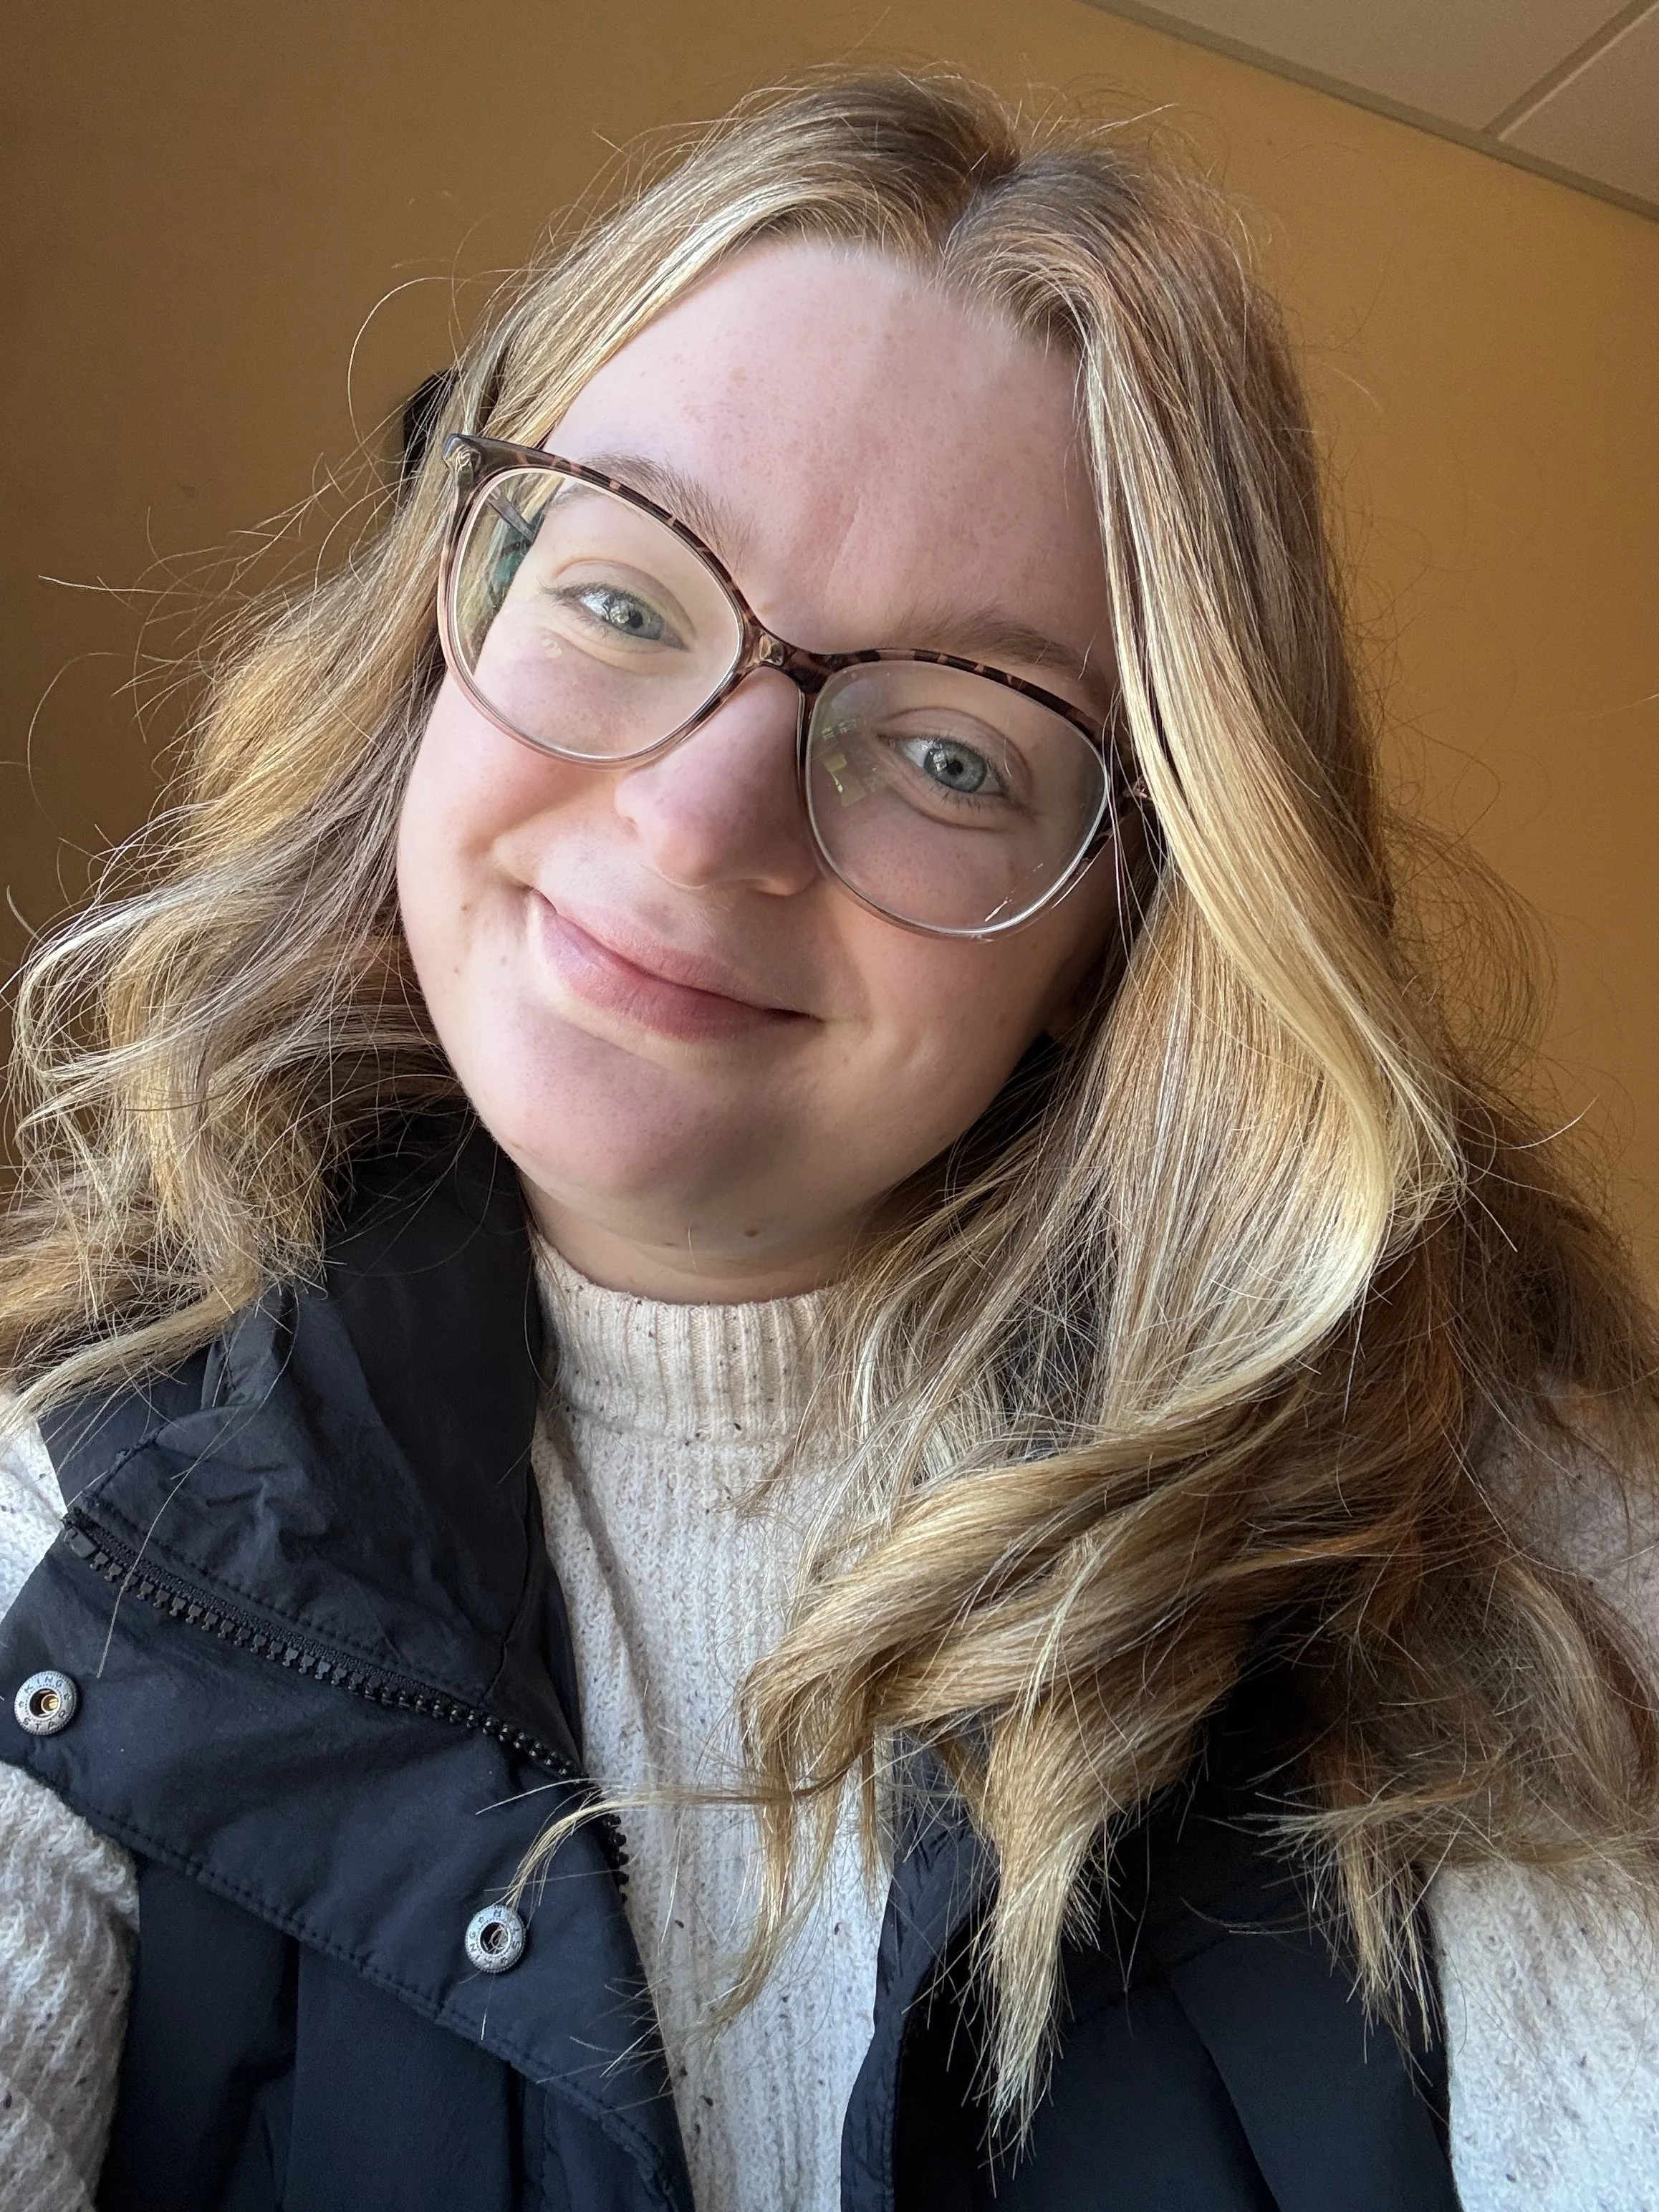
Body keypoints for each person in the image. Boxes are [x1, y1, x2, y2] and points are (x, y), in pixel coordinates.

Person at [1, 71, 1655, 2212]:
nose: (697, 824)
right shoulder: (81, 1512)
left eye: (953, 749)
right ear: (449, 615)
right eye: (615, 597)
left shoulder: (1505, 1550)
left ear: (1117, 928)